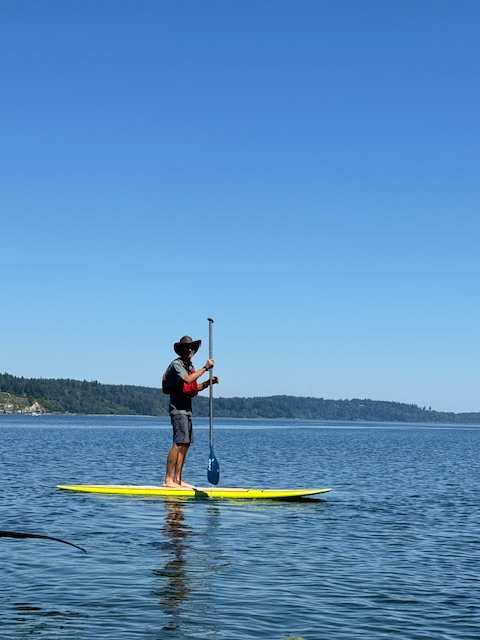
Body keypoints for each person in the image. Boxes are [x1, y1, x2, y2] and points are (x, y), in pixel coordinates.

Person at [162, 335, 218, 488]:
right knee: (178, 443)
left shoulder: (190, 366)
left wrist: (208, 383)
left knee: (185, 444)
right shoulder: (177, 364)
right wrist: (205, 368)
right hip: (178, 410)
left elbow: (193, 387)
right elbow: (187, 380)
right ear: (180, 350)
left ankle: (178, 480)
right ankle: (168, 480)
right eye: (185, 347)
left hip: (187, 410)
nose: (188, 350)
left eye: (191, 347)